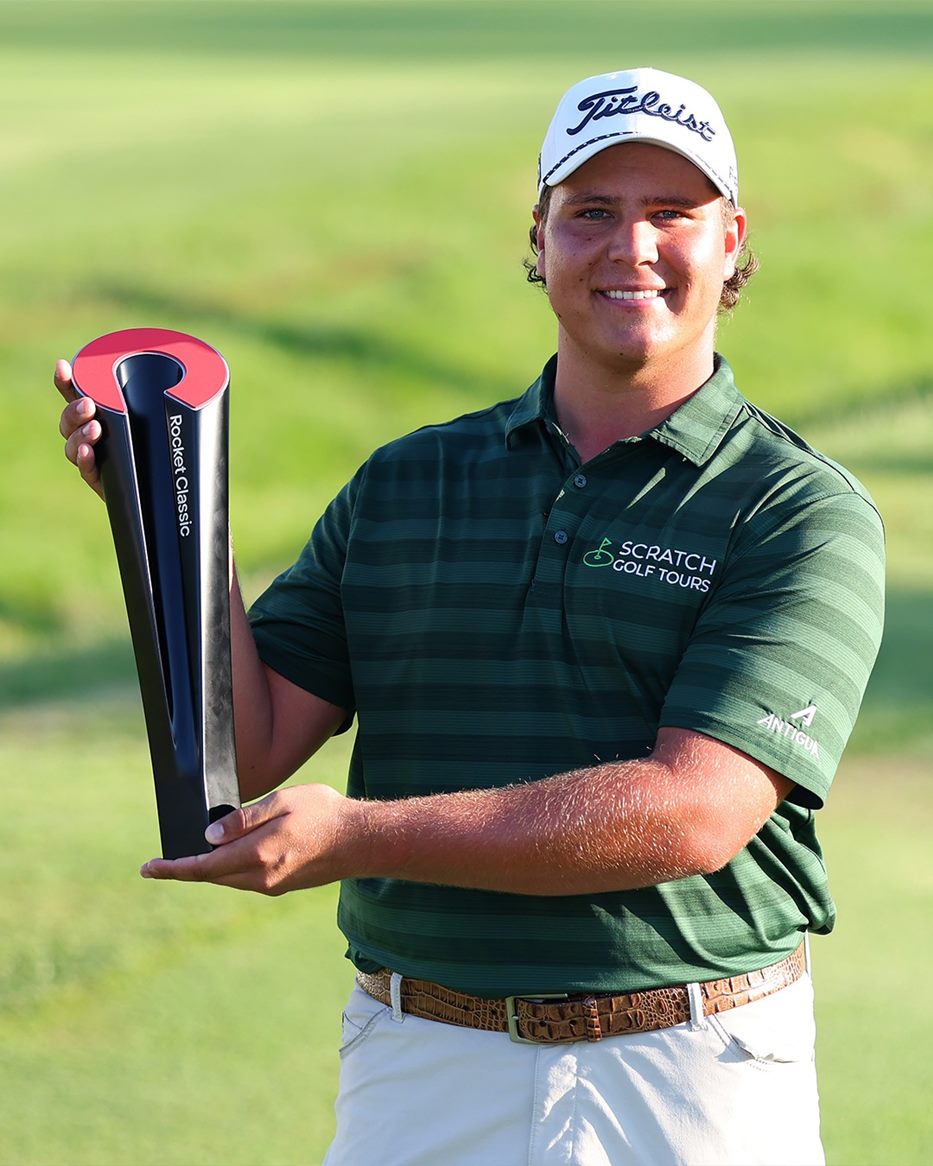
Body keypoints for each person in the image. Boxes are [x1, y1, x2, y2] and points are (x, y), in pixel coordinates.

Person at [56, 67, 884, 1166]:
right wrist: (170, 522)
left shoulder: (796, 509)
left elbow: (692, 813)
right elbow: (247, 744)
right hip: (421, 1056)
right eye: (591, 211)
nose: (630, 246)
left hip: (689, 1068)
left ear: (731, 241)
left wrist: (357, 835)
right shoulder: (407, 482)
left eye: (670, 213)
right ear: (539, 237)